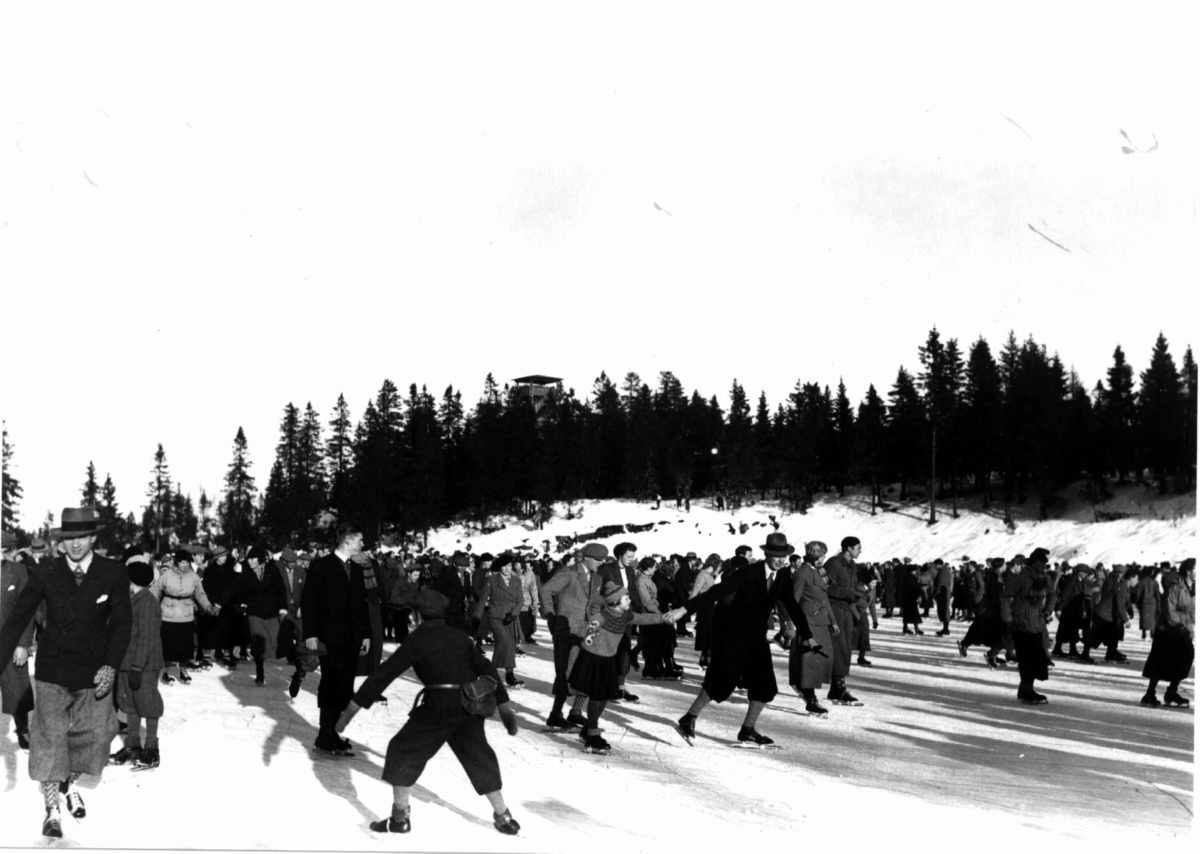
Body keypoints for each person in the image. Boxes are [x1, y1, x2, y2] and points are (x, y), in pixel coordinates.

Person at [336, 588, 521, 836]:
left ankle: (399, 819)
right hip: (469, 706)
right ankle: (504, 817)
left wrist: (350, 710)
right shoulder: (460, 637)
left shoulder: (417, 639)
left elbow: (384, 674)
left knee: (402, 750)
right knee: (479, 756)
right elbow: (487, 668)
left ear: (417, 614)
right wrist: (504, 707)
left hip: (439, 707)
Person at [0, 508, 132, 839]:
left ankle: (69, 782)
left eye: (82, 537)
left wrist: (111, 665)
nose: (76, 544)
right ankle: (52, 809)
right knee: (48, 738)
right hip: (52, 670)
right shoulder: (46, 572)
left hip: (94, 671)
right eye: (69, 538)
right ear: (61, 542)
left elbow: (121, 624)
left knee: (96, 736)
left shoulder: (112, 573)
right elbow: (18, 617)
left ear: (93, 538)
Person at [674, 533, 813, 746]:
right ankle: (688, 718)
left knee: (765, 686)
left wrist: (808, 635)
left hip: (756, 638)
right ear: (766, 554)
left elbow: (792, 606)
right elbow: (716, 592)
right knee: (722, 680)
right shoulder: (749, 572)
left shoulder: (783, 575)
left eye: (783, 556)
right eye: (777, 556)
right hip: (733, 635)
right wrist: (684, 609)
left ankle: (748, 729)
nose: (781, 560)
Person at [571, 581, 685, 753]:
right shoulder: (603, 615)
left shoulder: (625, 616)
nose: (629, 600)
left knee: (604, 697)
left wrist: (664, 617)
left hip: (608, 659)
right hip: (593, 659)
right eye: (626, 598)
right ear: (616, 601)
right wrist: (591, 630)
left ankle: (588, 730)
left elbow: (644, 618)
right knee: (597, 697)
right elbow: (594, 622)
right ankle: (592, 736)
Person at [301, 523, 371, 755]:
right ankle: (325, 736)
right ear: (348, 541)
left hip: (351, 639)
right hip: (328, 638)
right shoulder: (321, 566)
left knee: (345, 687)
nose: (363, 545)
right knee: (331, 685)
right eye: (360, 540)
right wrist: (310, 634)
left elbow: (362, 606)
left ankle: (331, 734)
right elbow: (309, 602)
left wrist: (366, 635)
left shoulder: (357, 569)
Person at [110, 547, 165, 769]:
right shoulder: (132, 598)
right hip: (127, 663)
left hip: (143, 665)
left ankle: (152, 749)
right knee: (130, 705)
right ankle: (133, 744)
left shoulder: (148, 602)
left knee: (148, 704)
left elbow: (147, 639)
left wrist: (137, 666)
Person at [539, 544, 604, 730]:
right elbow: (545, 591)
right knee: (565, 673)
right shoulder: (569, 572)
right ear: (586, 557)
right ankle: (555, 716)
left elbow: (592, 604)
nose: (601, 563)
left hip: (585, 632)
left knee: (586, 671)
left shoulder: (597, 578)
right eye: (598, 559)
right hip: (565, 631)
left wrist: (595, 622)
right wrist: (552, 617)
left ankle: (575, 712)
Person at [150, 548, 217, 686]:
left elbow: (200, 594)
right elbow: (155, 590)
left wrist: (208, 606)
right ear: (176, 563)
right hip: (168, 614)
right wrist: (152, 606)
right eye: (182, 562)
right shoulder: (167, 574)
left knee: (186, 646)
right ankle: (166, 672)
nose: (185, 565)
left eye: (187, 563)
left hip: (186, 614)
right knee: (168, 646)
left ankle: (184, 671)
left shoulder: (193, 577)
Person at [787, 541, 836, 717]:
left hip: (821, 622)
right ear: (815, 556)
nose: (824, 558)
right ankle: (811, 699)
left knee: (824, 658)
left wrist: (833, 620)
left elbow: (824, 596)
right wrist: (791, 625)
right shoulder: (803, 573)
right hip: (808, 622)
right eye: (823, 555)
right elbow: (793, 600)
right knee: (810, 662)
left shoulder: (818, 571)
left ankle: (805, 689)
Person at [1002, 547, 1053, 705]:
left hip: (1036, 623)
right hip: (1021, 623)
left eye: (1045, 563)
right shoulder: (1022, 577)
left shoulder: (1044, 577)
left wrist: (1048, 610)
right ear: (1034, 562)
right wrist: (1008, 619)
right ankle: (1025, 691)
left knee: (1036, 659)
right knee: (1026, 659)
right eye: (1041, 562)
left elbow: (1053, 594)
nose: (1044, 565)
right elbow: (1005, 596)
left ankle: (1027, 689)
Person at [1141, 558, 1194, 708]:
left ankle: (1172, 691)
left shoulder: (1194, 589)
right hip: (1167, 630)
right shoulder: (1175, 587)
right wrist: (1181, 625)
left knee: (1184, 659)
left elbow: (1193, 611)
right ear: (1189, 571)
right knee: (1160, 662)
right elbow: (1169, 611)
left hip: (1183, 630)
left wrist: (1190, 625)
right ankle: (1149, 693)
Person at [1, 530, 35, 750]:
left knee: (18, 689)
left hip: (10, 642)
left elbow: (26, 611)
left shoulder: (18, 571)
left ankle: (23, 730)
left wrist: (23, 644)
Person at [823, 536, 864, 706]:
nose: (860, 550)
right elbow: (825, 586)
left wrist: (861, 596)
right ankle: (838, 687)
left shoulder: (852, 565)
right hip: (834, 610)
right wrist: (850, 594)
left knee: (846, 648)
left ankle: (837, 687)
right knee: (839, 648)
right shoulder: (833, 563)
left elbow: (852, 588)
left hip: (847, 610)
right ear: (848, 549)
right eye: (858, 548)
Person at [474, 553, 525, 688]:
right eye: (504, 566)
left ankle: (509, 675)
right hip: (496, 617)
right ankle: (492, 674)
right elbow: (483, 599)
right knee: (505, 642)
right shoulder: (491, 580)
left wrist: (513, 614)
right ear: (499, 567)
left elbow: (520, 601)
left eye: (509, 566)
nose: (507, 569)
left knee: (510, 644)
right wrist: (477, 616)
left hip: (511, 618)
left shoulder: (516, 580)